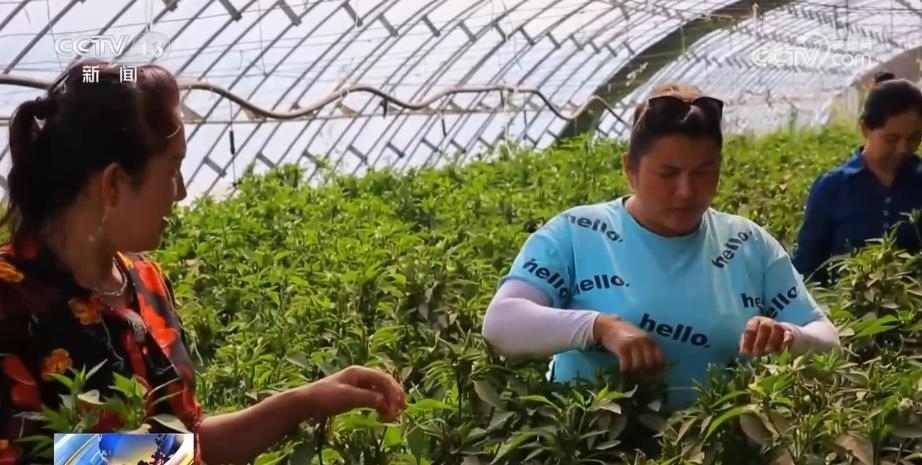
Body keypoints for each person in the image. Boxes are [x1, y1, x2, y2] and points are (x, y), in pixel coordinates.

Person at [0, 60, 406, 465]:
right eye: (173, 168)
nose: (180, 191)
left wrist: (304, 401)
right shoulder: (10, 300)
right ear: (114, 183)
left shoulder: (145, 280)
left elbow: (187, 445)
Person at [481, 83, 840, 448]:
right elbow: (501, 322)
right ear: (630, 169)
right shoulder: (577, 233)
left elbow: (828, 339)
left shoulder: (748, 243)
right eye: (667, 173)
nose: (686, 191)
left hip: (719, 448)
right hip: (594, 449)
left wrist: (790, 336)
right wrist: (598, 327)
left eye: (703, 172)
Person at [792, 71, 922, 285]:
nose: (903, 148)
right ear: (865, 129)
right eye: (891, 139)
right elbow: (808, 266)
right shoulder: (833, 187)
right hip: (844, 305)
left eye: (913, 138)